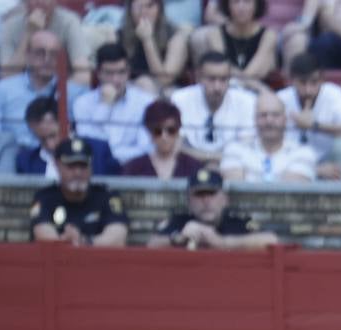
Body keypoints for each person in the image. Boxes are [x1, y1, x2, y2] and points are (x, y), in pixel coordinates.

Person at [0, 28, 85, 148]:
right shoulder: (1, 90)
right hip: (14, 158)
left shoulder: (76, 94)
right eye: (40, 53)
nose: (47, 59)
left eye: (54, 54)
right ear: (28, 55)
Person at [276, 51, 341, 181]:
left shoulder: (333, 94)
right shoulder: (280, 100)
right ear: (292, 81)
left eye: (314, 82)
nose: (308, 90)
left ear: (322, 79)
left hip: (331, 163)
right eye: (302, 83)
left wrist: (314, 126)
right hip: (293, 167)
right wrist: (314, 169)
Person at [29, 136, 130, 246]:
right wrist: (67, 241)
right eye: (71, 166)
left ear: (91, 167)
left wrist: (83, 241)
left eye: (83, 166)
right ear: (57, 166)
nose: (78, 173)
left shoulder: (107, 197)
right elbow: (42, 235)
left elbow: (117, 238)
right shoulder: (45, 197)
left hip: (99, 262)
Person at [147, 167, 279, 250]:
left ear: (225, 199)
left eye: (212, 193)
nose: (206, 200)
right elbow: (152, 244)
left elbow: (271, 240)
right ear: (188, 201)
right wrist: (178, 239)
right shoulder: (180, 221)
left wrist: (222, 242)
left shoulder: (237, 221)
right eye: (199, 195)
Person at [71, 43, 153, 166]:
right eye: (109, 73)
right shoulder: (82, 103)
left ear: (129, 72)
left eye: (121, 72)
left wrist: (111, 157)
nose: (116, 80)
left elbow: (145, 148)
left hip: (132, 168)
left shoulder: (145, 102)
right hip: (96, 168)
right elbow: (89, 143)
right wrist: (105, 106)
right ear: (98, 73)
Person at [171, 51, 256, 163]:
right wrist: (215, 158)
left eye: (223, 79)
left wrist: (204, 157)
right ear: (198, 77)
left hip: (232, 167)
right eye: (211, 79)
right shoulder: (180, 99)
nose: (217, 87)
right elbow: (175, 146)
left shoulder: (247, 101)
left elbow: (245, 151)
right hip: (188, 165)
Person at [220, 89, 317, 183]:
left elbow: (290, 193)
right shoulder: (234, 150)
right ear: (254, 119)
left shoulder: (303, 153)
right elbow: (236, 191)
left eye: (275, 115)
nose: (269, 120)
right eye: (263, 115)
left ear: (285, 119)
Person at [16, 95, 119, 176]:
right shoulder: (26, 161)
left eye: (53, 136)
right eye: (42, 139)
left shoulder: (98, 151)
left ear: (67, 125)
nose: (50, 145)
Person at [190, 0, 277, 93]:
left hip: (256, 92)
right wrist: (244, 80)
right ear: (227, 5)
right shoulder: (215, 34)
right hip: (223, 90)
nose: (241, 7)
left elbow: (253, 71)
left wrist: (240, 78)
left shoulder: (268, 35)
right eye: (235, 2)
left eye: (247, 2)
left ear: (257, 5)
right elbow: (222, 66)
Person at [0, 0, 92, 85]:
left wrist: (52, 94)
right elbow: (6, 77)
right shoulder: (10, 26)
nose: (40, 2)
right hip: (21, 90)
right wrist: (29, 33)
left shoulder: (69, 22)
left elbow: (83, 74)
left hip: (59, 90)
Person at [118, 0, 189, 94]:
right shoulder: (120, 36)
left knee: (149, 85)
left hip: (164, 89)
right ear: (130, 9)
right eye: (139, 7)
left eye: (149, 6)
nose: (144, 12)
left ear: (159, 8)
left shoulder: (175, 37)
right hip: (130, 88)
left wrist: (147, 40)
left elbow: (164, 80)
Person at [120, 97, 203, 178]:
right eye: (158, 131)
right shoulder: (134, 168)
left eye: (171, 130)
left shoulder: (193, 167)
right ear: (150, 132)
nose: (164, 137)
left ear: (178, 131)